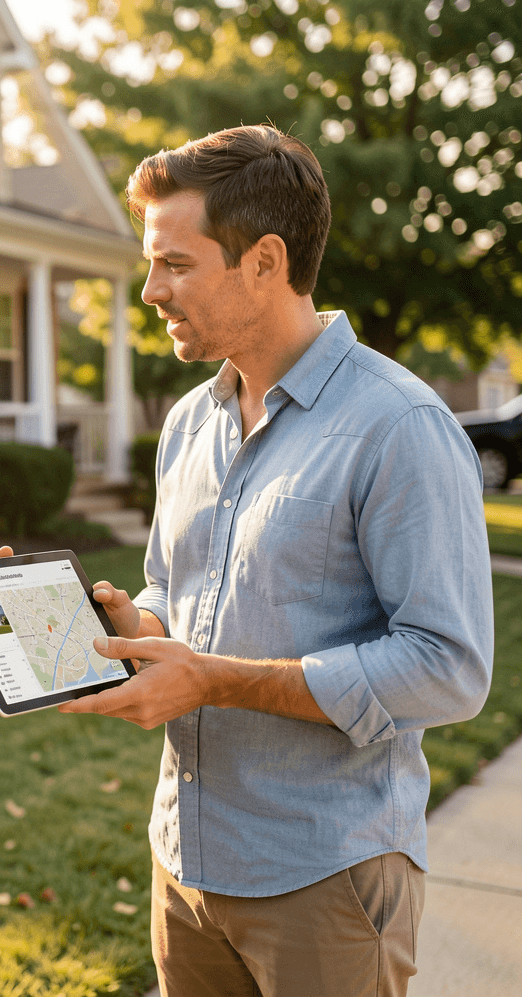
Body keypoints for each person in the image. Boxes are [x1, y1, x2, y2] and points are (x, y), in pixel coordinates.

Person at [59, 124, 494, 997]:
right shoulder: (187, 424)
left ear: (265, 260)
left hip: (324, 878)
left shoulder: (398, 426)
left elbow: (449, 668)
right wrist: (132, 630)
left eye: (176, 264)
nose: (150, 291)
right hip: (184, 867)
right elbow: (170, 588)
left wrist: (213, 679)